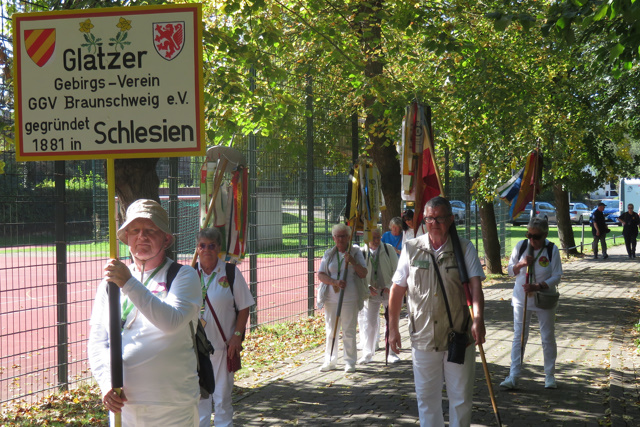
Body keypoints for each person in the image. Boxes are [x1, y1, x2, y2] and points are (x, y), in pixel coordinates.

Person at [88, 199, 201, 426]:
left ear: (166, 239)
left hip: (174, 408)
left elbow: (171, 321)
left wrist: (128, 283)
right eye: (135, 231)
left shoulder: (184, 276)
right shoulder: (110, 283)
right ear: (126, 237)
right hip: (125, 409)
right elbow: (98, 341)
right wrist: (106, 383)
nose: (142, 237)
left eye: (151, 230)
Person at [389, 197, 486, 427]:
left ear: (451, 220)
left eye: (439, 218)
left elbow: (475, 287)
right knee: (427, 400)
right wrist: (392, 330)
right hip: (423, 339)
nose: (434, 223)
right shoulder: (412, 248)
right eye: (429, 218)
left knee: (461, 400)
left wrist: (478, 319)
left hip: (459, 336)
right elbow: (397, 289)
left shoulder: (464, 249)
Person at [195, 228, 255, 427]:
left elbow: (245, 306)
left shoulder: (230, 272)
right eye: (202, 245)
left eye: (211, 246)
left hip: (223, 349)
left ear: (219, 248)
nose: (207, 250)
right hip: (195, 352)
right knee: (199, 401)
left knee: (222, 399)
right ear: (197, 248)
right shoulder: (188, 275)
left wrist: (237, 336)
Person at [500, 217, 562, 390]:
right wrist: (521, 263)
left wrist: (538, 286)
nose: (532, 240)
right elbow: (510, 271)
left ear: (545, 234)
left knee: (547, 337)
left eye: (537, 236)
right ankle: (513, 375)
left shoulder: (551, 249)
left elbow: (557, 275)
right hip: (522, 299)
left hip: (544, 299)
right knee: (519, 336)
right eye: (529, 235)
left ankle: (549, 376)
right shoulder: (521, 246)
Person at [317, 223, 368, 373]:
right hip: (331, 298)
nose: (340, 239)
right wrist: (334, 282)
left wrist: (352, 261)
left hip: (350, 297)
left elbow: (364, 273)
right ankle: (330, 360)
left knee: (349, 330)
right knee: (331, 330)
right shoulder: (329, 254)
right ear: (333, 238)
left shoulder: (356, 252)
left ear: (348, 237)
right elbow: (321, 274)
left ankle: (350, 361)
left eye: (343, 236)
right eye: (337, 236)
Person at [357, 228, 400, 365]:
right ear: (367, 238)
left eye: (378, 237)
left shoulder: (388, 249)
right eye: (373, 238)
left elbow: (397, 270)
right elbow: (359, 274)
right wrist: (367, 286)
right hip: (372, 293)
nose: (376, 241)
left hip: (388, 292)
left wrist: (389, 285)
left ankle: (391, 353)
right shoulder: (362, 252)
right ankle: (367, 353)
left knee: (391, 322)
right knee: (369, 323)